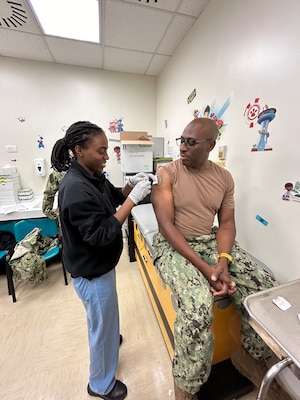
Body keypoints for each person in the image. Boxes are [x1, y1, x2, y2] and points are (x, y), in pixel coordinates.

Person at [151, 118, 291, 400]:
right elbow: (166, 226)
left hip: (209, 239)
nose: (183, 147)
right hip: (172, 243)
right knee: (198, 304)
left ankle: (248, 357)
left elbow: (226, 224)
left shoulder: (224, 178)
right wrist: (207, 270)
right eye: (181, 140)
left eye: (191, 142)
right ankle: (187, 386)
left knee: (263, 287)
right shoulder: (166, 173)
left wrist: (222, 262)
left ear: (211, 145)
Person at [51, 121, 152, 400]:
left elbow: (114, 194)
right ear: (79, 150)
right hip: (91, 273)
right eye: (102, 151)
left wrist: (131, 184)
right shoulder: (75, 189)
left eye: (107, 149)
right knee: (100, 325)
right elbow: (102, 233)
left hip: (100, 267)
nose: (107, 156)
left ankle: (110, 337)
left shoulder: (91, 175)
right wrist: (132, 201)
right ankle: (100, 384)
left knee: (105, 319)